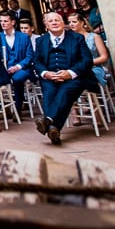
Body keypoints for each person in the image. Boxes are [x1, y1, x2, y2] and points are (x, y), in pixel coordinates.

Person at [33, 11, 96, 145]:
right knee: (49, 93)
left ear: (63, 23)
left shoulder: (77, 38)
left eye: (57, 20)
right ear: (46, 25)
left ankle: (48, 121)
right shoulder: (40, 41)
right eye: (51, 21)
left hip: (74, 77)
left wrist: (70, 72)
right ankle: (53, 129)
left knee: (65, 91)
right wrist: (46, 73)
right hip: (50, 77)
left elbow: (87, 60)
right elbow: (36, 62)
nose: (54, 23)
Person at [0, 10, 34, 111]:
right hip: (5, 68)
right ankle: (1, 107)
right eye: (1, 21)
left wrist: (17, 67)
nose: (2, 23)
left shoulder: (24, 37)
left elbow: (29, 56)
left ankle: (18, 108)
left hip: (23, 68)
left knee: (17, 78)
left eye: (5, 21)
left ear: (13, 22)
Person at [67, 12, 108, 86]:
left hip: (94, 68)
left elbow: (104, 57)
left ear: (82, 23)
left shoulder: (94, 37)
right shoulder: (69, 40)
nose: (71, 24)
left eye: (74, 22)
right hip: (76, 69)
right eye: (69, 22)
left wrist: (86, 63)